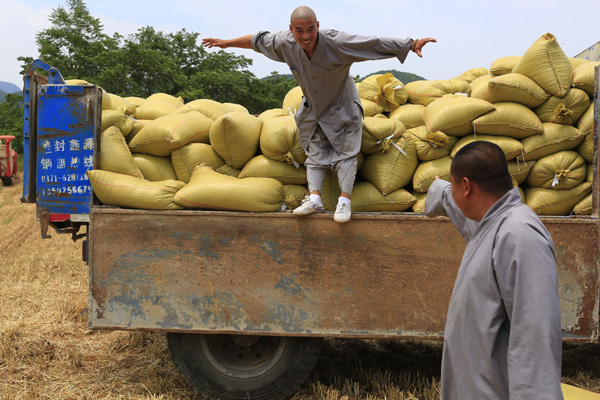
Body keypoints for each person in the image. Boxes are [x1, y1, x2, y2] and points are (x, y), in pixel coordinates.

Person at [202, 6, 436, 223]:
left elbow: (370, 43)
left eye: (311, 29)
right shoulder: (284, 42)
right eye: (300, 30)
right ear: (291, 29)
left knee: (346, 152)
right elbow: (256, 41)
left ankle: (344, 202)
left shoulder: (336, 42)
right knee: (313, 150)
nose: (306, 36)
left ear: (318, 25)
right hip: (313, 105)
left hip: (342, 103)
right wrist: (227, 43)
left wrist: (410, 43)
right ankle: (314, 200)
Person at [424, 141, 563, 400]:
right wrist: (440, 190)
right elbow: (457, 205)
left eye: (453, 184)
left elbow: (535, 338)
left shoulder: (519, 235)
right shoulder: (489, 221)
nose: (452, 192)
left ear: (466, 186)